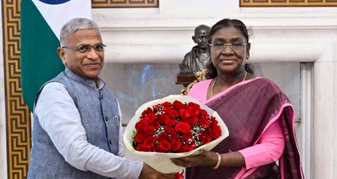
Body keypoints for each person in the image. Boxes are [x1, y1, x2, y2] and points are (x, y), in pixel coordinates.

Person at [27, 18, 175, 179]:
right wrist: (140, 171)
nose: (93, 55)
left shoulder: (108, 96)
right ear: (63, 54)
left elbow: (117, 155)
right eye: (83, 48)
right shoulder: (55, 91)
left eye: (98, 47)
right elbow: (77, 153)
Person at [172, 19, 304, 179]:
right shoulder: (196, 89)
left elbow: (273, 147)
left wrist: (218, 160)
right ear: (210, 50)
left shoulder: (264, 91)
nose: (227, 51)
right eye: (219, 44)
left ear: (247, 50)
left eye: (236, 44)